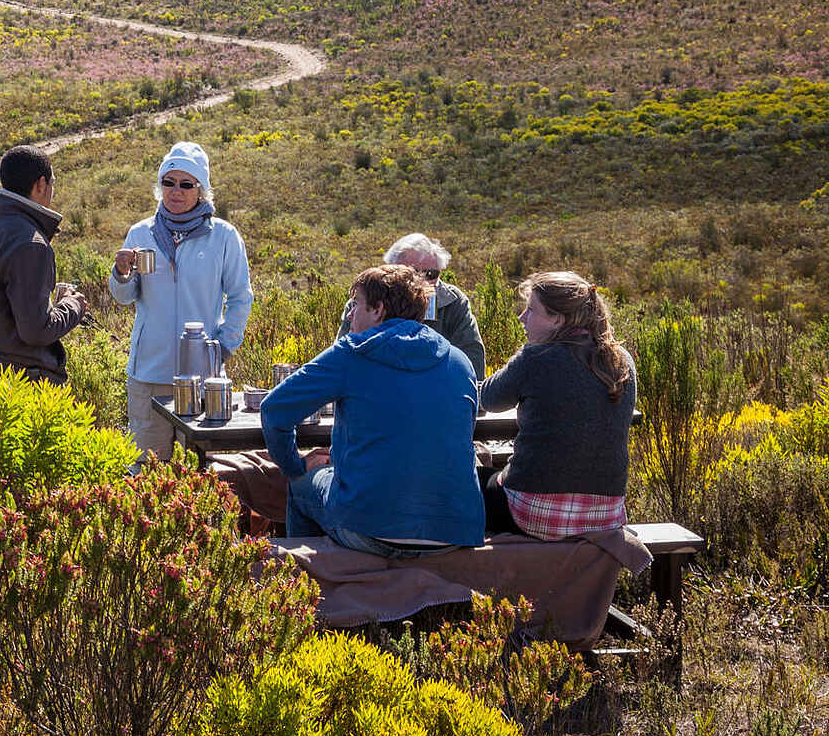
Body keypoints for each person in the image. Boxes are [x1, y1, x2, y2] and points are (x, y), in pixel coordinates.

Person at [260, 264, 484, 556]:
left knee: (301, 485)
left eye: (356, 305)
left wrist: (295, 465)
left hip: (368, 527)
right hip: (455, 532)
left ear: (378, 310)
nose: (350, 315)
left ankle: (317, 585)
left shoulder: (352, 352)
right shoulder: (459, 361)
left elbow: (274, 410)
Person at [107, 141, 253, 457]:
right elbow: (124, 297)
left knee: (201, 473)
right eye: (168, 182)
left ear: (200, 189)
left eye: (186, 184)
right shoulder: (140, 233)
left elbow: (241, 297)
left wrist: (223, 348)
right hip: (149, 375)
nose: (176, 191)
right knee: (146, 472)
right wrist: (121, 273)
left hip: (203, 380)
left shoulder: (224, 236)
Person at [479, 272, 636, 539]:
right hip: (606, 517)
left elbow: (490, 399)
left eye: (531, 310)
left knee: (472, 481)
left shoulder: (536, 357)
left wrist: (525, 351)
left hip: (536, 516)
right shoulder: (621, 360)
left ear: (557, 319)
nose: (522, 318)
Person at [0, 144, 90, 384]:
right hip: (27, 384)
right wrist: (72, 306)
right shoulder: (30, 241)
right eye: (52, 183)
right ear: (41, 184)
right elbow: (37, 330)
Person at [337, 232, 487, 378]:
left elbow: (473, 364)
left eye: (431, 274)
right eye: (411, 273)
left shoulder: (452, 302)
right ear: (390, 272)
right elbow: (340, 358)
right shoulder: (363, 302)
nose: (421, 282)